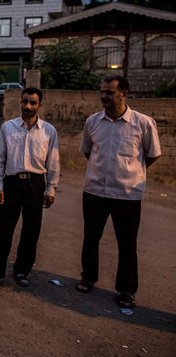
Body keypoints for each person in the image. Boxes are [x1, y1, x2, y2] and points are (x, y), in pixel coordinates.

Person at [75, 75, 161, 309]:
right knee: (91, 238)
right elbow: (88, 152)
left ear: (124, 93)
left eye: (109, 92)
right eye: (102, 92)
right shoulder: (92, 122)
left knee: (127, 244)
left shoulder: (143, 123)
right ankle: (88, 277)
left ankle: (127, 289)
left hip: (127, 195)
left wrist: (128, 173)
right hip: (95, 191)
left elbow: (152, 155)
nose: (104, 96)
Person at [0, 87, 60, 289]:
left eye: (32, 103)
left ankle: (22, 271)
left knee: (31, 231)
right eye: (24, 102)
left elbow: (53, 163)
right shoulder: (8, 127)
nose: (27, 106)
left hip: (36, 184)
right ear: (20, 102)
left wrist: (51, 190)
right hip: (11, 183)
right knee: (3, 229)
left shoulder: (49, 131)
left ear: (39, 105)